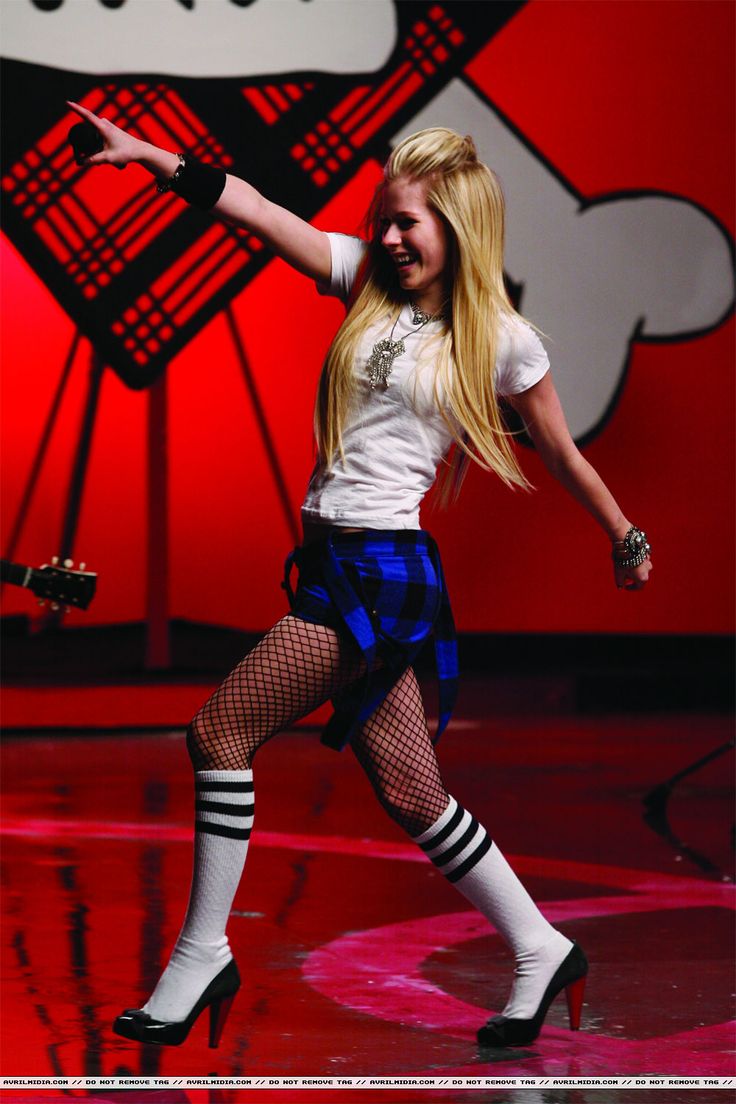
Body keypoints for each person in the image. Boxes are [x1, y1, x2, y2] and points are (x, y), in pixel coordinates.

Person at [66, 102, 652, 1050]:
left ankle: (202, 952)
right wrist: (151, 157)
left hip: (381, 576)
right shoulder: (365, 287)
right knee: (414, 793)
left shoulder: (503, 339)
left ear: (456, 227)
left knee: (218, 728)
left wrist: (624, 538)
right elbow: (255, 209)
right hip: (338, 566)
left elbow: (562, 453)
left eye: (406, 222)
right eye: (381, 219)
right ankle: (541, 947)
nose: (386, 236)